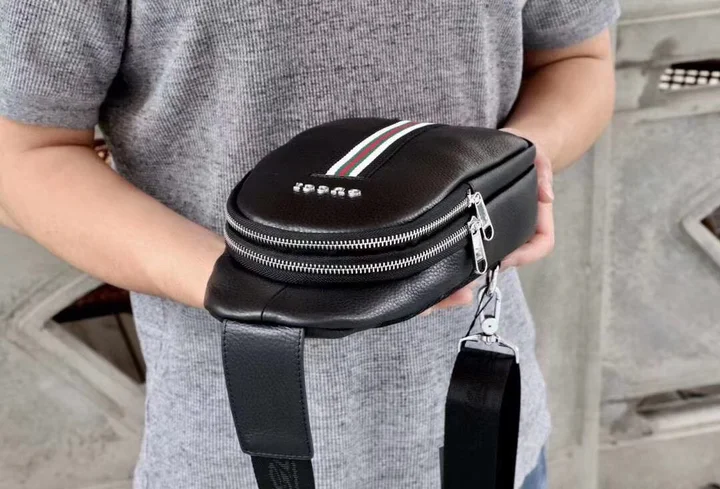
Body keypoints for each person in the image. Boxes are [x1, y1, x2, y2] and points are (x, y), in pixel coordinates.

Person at [0, 1, 619, 488]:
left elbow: (576, 59)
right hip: (228, 449)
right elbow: (25, 154)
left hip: (486, 437)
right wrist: (251, 285)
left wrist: (509, 173)